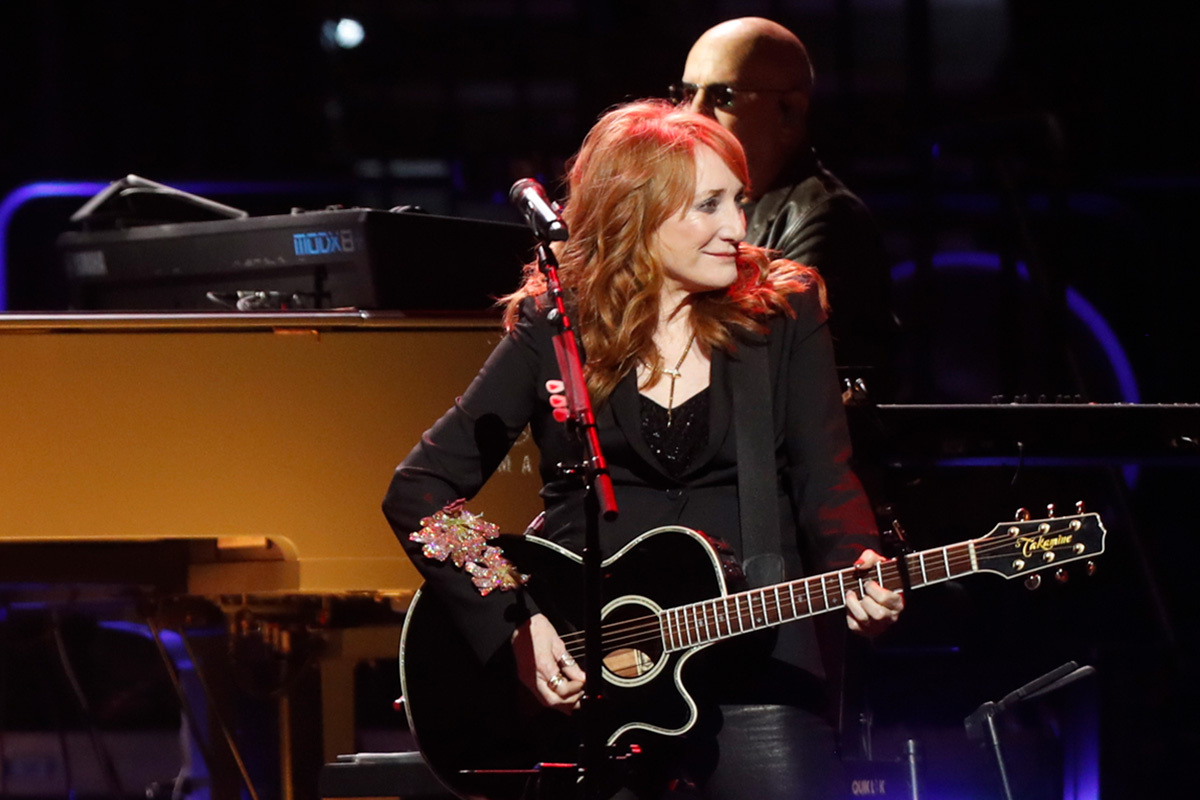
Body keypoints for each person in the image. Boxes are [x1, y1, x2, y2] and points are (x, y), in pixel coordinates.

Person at [383, 100, 903, 800]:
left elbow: (825, 480)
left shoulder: (783, 310)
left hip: (757, 657)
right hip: (594, 677)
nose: (738, 228)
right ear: (638, 213)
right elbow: (420, 491)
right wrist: (514, 618)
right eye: (709, 206)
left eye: (739, 203)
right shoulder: (556, 323)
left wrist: (857, 565)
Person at [673, 17, 893, 372]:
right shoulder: (706, 204)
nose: (693, 113)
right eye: (685, 94)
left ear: (789, 112)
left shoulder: (825, 215)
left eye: (721, 96)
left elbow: (765, 352)